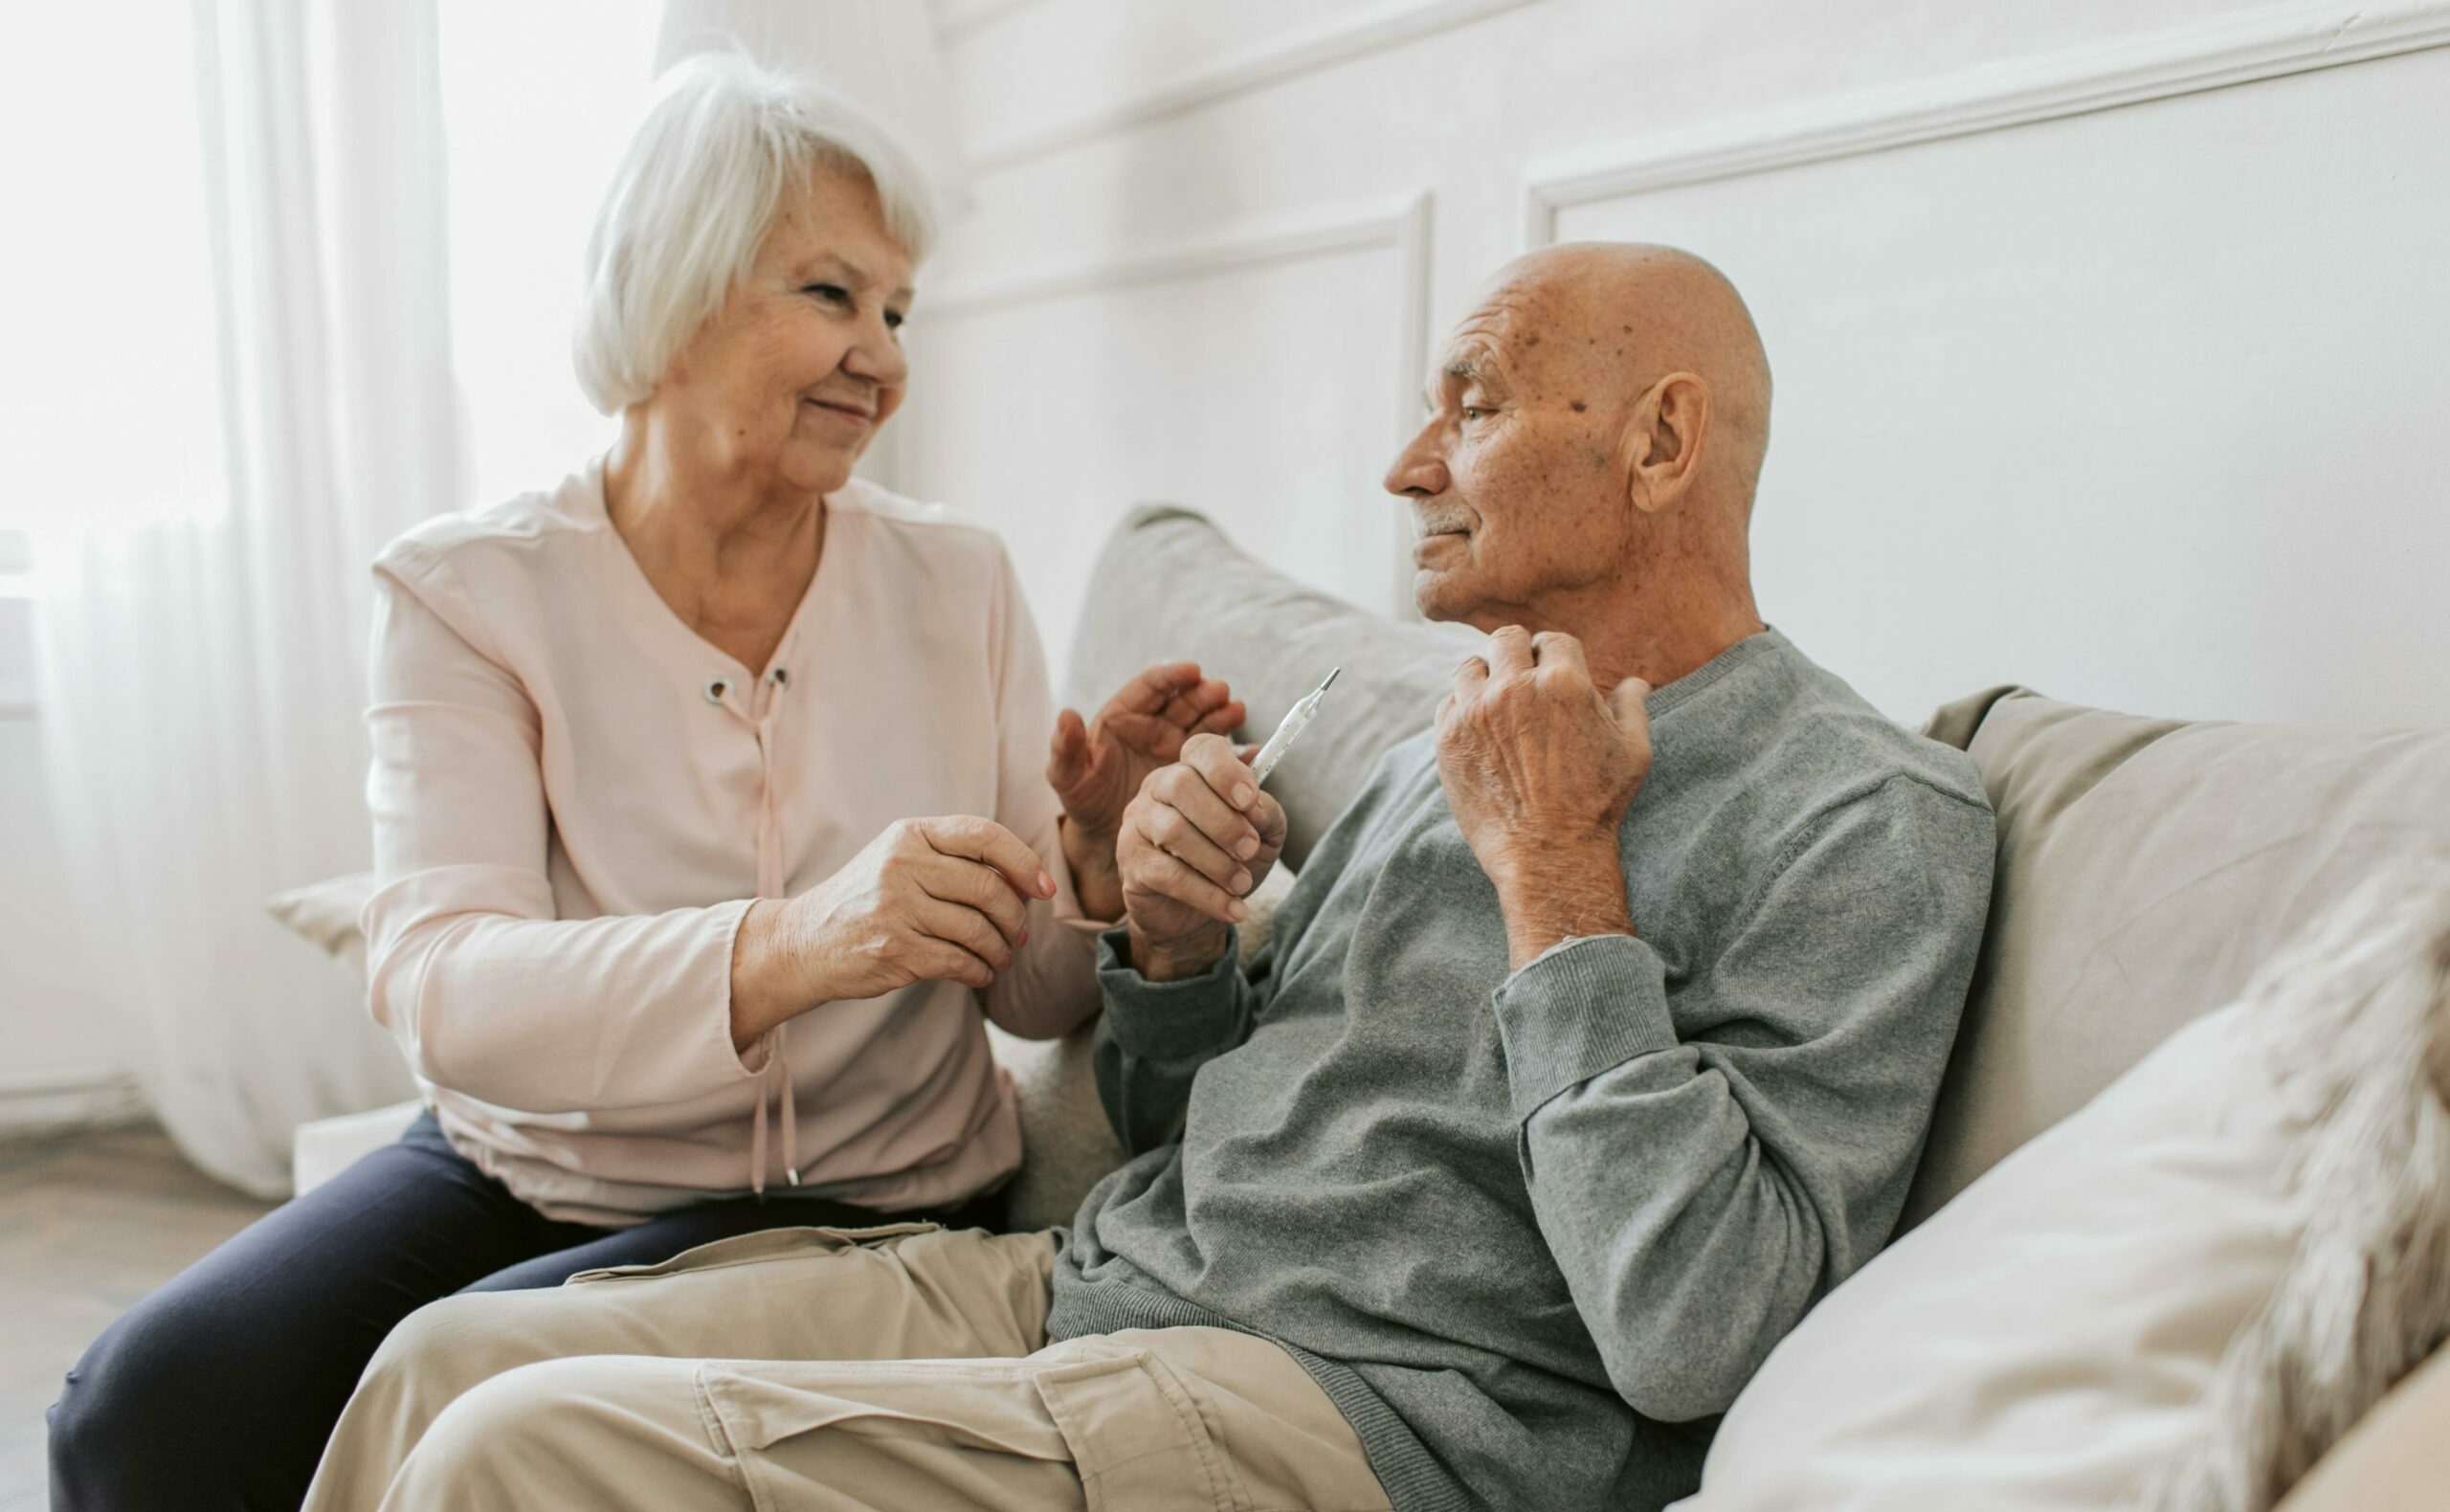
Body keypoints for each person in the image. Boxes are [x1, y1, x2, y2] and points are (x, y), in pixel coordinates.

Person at [297, 242, 1998, 1512]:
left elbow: (1696, 1331)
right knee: (440, 1360)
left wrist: (1560, 884)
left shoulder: (1868, 815)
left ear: (1659, 440)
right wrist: (1172, 950)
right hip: (1095, 1291)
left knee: (514, 1459)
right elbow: (1210, 1128)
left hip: (1343, 1416)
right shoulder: (1442, 745)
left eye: (1469, 404)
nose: (1407, 467)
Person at [45, 53, 1248, 1512]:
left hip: (866, 1198)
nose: (884, 352)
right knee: (142, 1411)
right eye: (830, 294)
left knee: (459, 1395)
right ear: (674, 288)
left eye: (897, 308)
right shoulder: (468, 590)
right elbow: (445, 980)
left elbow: (1037, 1000)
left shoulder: (959, 580)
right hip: (525, 1167)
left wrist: (1091, 863)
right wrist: (806, 940)